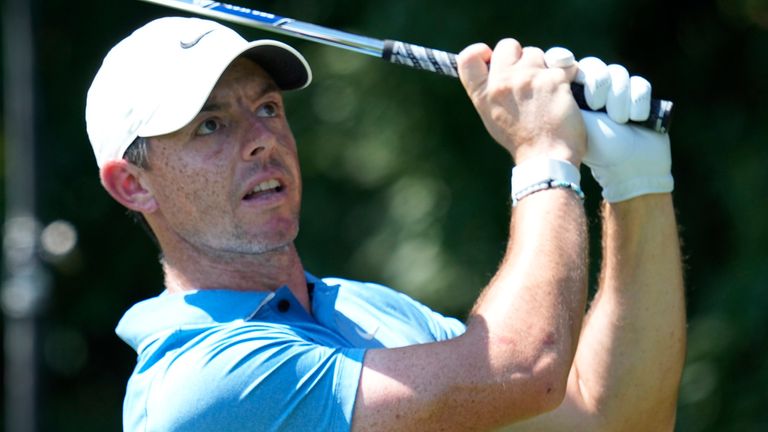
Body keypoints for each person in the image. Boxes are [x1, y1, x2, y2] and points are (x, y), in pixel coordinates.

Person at [85, 16, 685, 432]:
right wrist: (544, 155)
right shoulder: (200, 382)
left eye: (267, 107)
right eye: (210, 126)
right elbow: (522, 368)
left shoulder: (366, 309)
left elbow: (610, 418)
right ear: (132, 185)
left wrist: (637, 187)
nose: (261, 140)